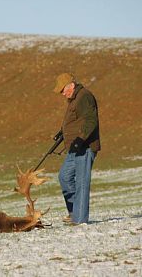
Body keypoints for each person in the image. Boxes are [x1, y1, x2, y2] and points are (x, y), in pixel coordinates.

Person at [53, 73, 101, 225]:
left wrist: (80, 139)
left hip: (85, 147)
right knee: (64, 177)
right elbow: (76, 120)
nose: (62, 93)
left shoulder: (84, 96)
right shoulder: (74, 99)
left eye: (63, 90)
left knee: (81, 182)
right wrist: (63, 132)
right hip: (74, 148)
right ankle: (75, 212)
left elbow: (91, 120)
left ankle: (80, 220)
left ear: (71, 85)